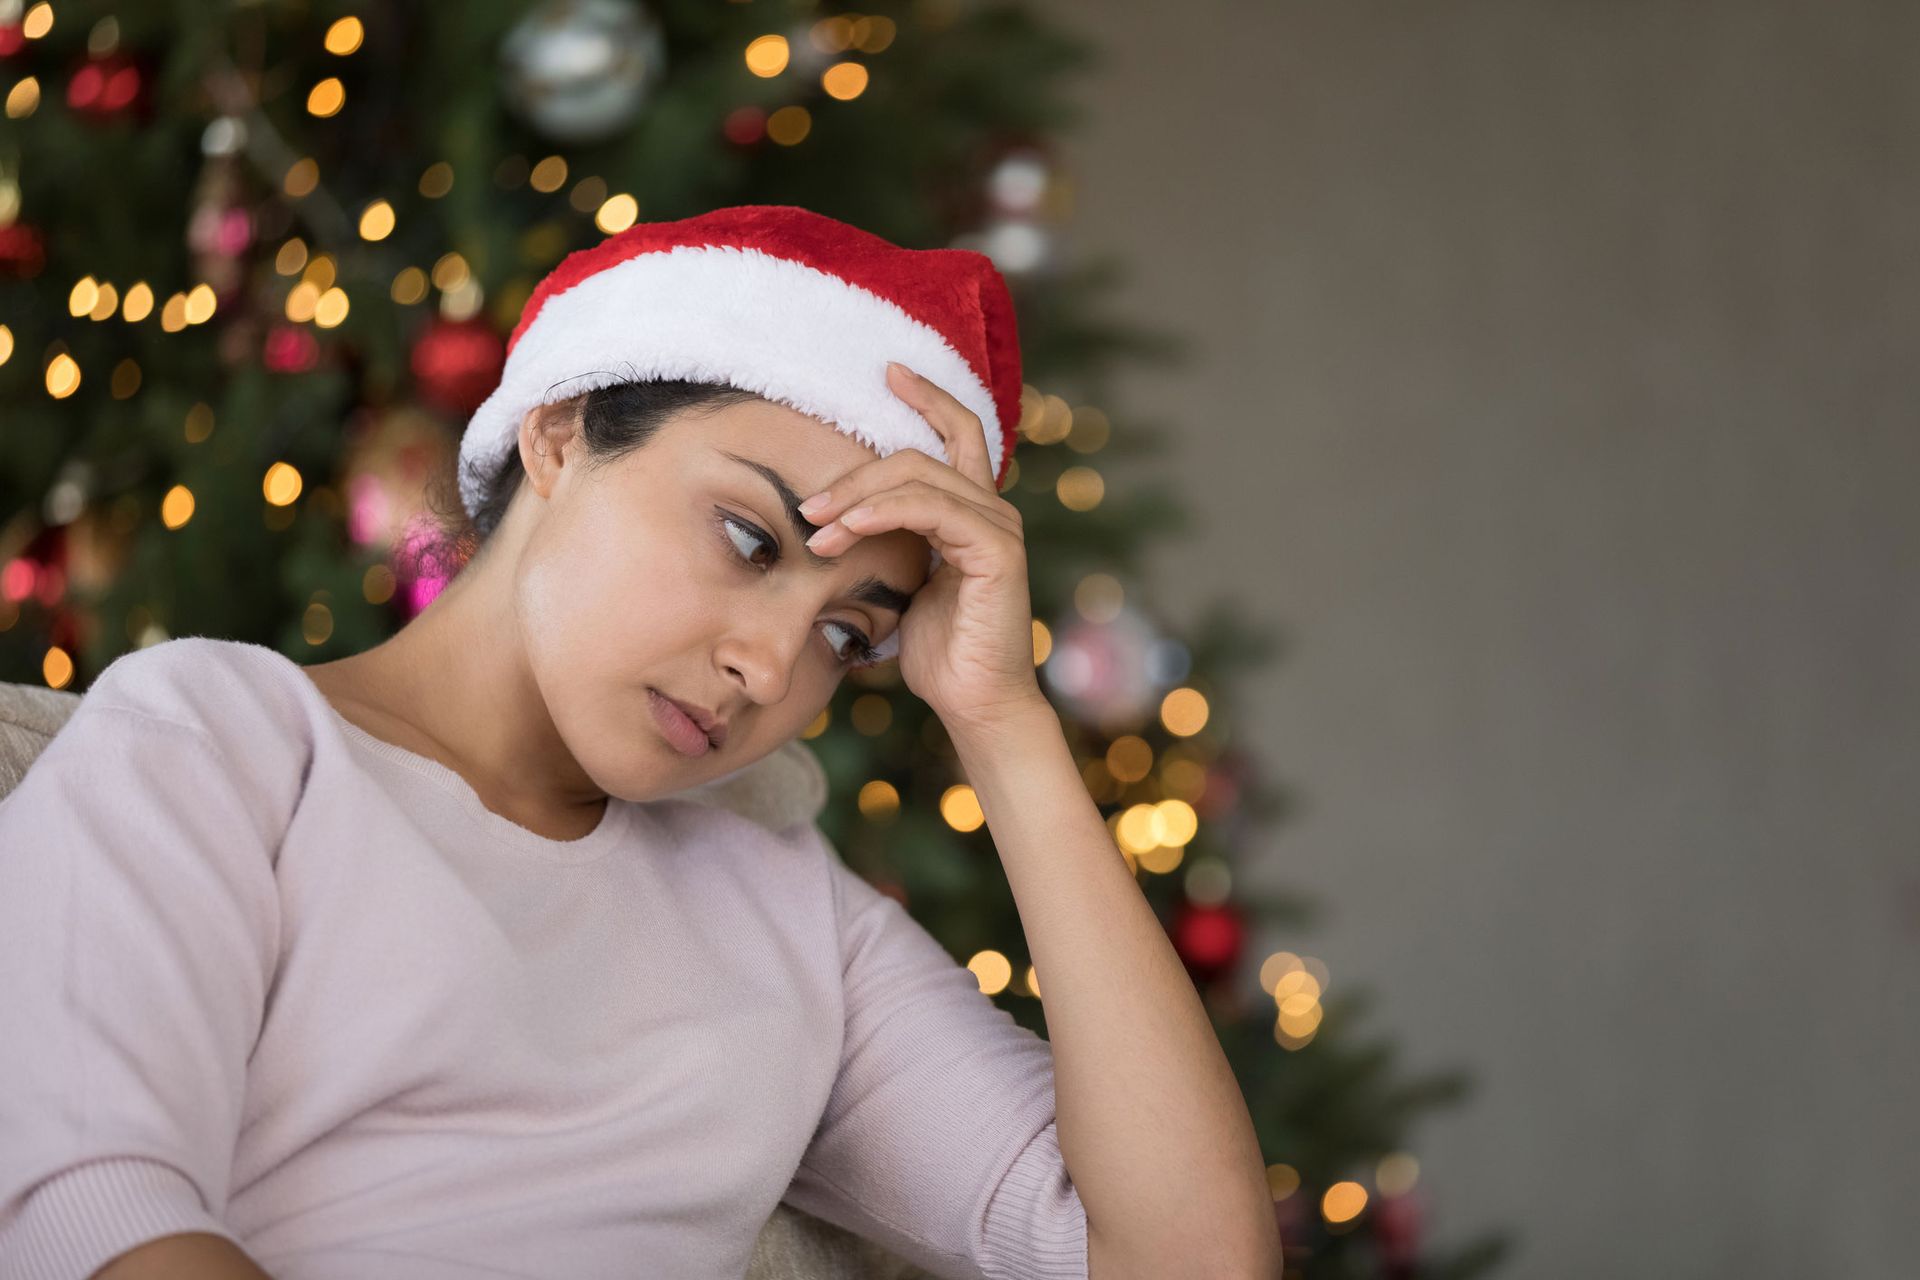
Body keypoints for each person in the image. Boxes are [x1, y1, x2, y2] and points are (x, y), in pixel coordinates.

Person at [0, 208, 1091, 1280]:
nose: (770, 668)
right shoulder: (221, 745)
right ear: (560, 432)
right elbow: (86, 1210)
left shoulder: (803, 922)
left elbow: (1149, 1250)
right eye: (749, 538)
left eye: (846, 635)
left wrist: (1004, 722)